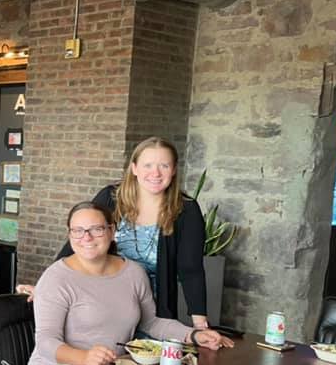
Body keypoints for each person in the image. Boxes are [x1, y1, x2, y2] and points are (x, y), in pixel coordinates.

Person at [26, 201, 231, 365]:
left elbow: (152, 322)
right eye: (77, 230)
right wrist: (84, 357)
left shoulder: (133, 272)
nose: (86, 237)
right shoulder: (56, 278)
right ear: (70, 234)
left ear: (112, 231)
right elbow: (46, 341)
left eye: (96, 229)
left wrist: (194, 335)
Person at [20, 137, 208, 326]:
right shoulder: (111, 197)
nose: (155, 173)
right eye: (148, 165)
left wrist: (200, 325)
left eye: (164, 166)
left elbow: (191, 269)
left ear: (174, 170)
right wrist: (44, 286)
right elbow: (79, 242)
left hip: (154, 314)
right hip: (98, 306)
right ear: (134, 168)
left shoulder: (186, 210)